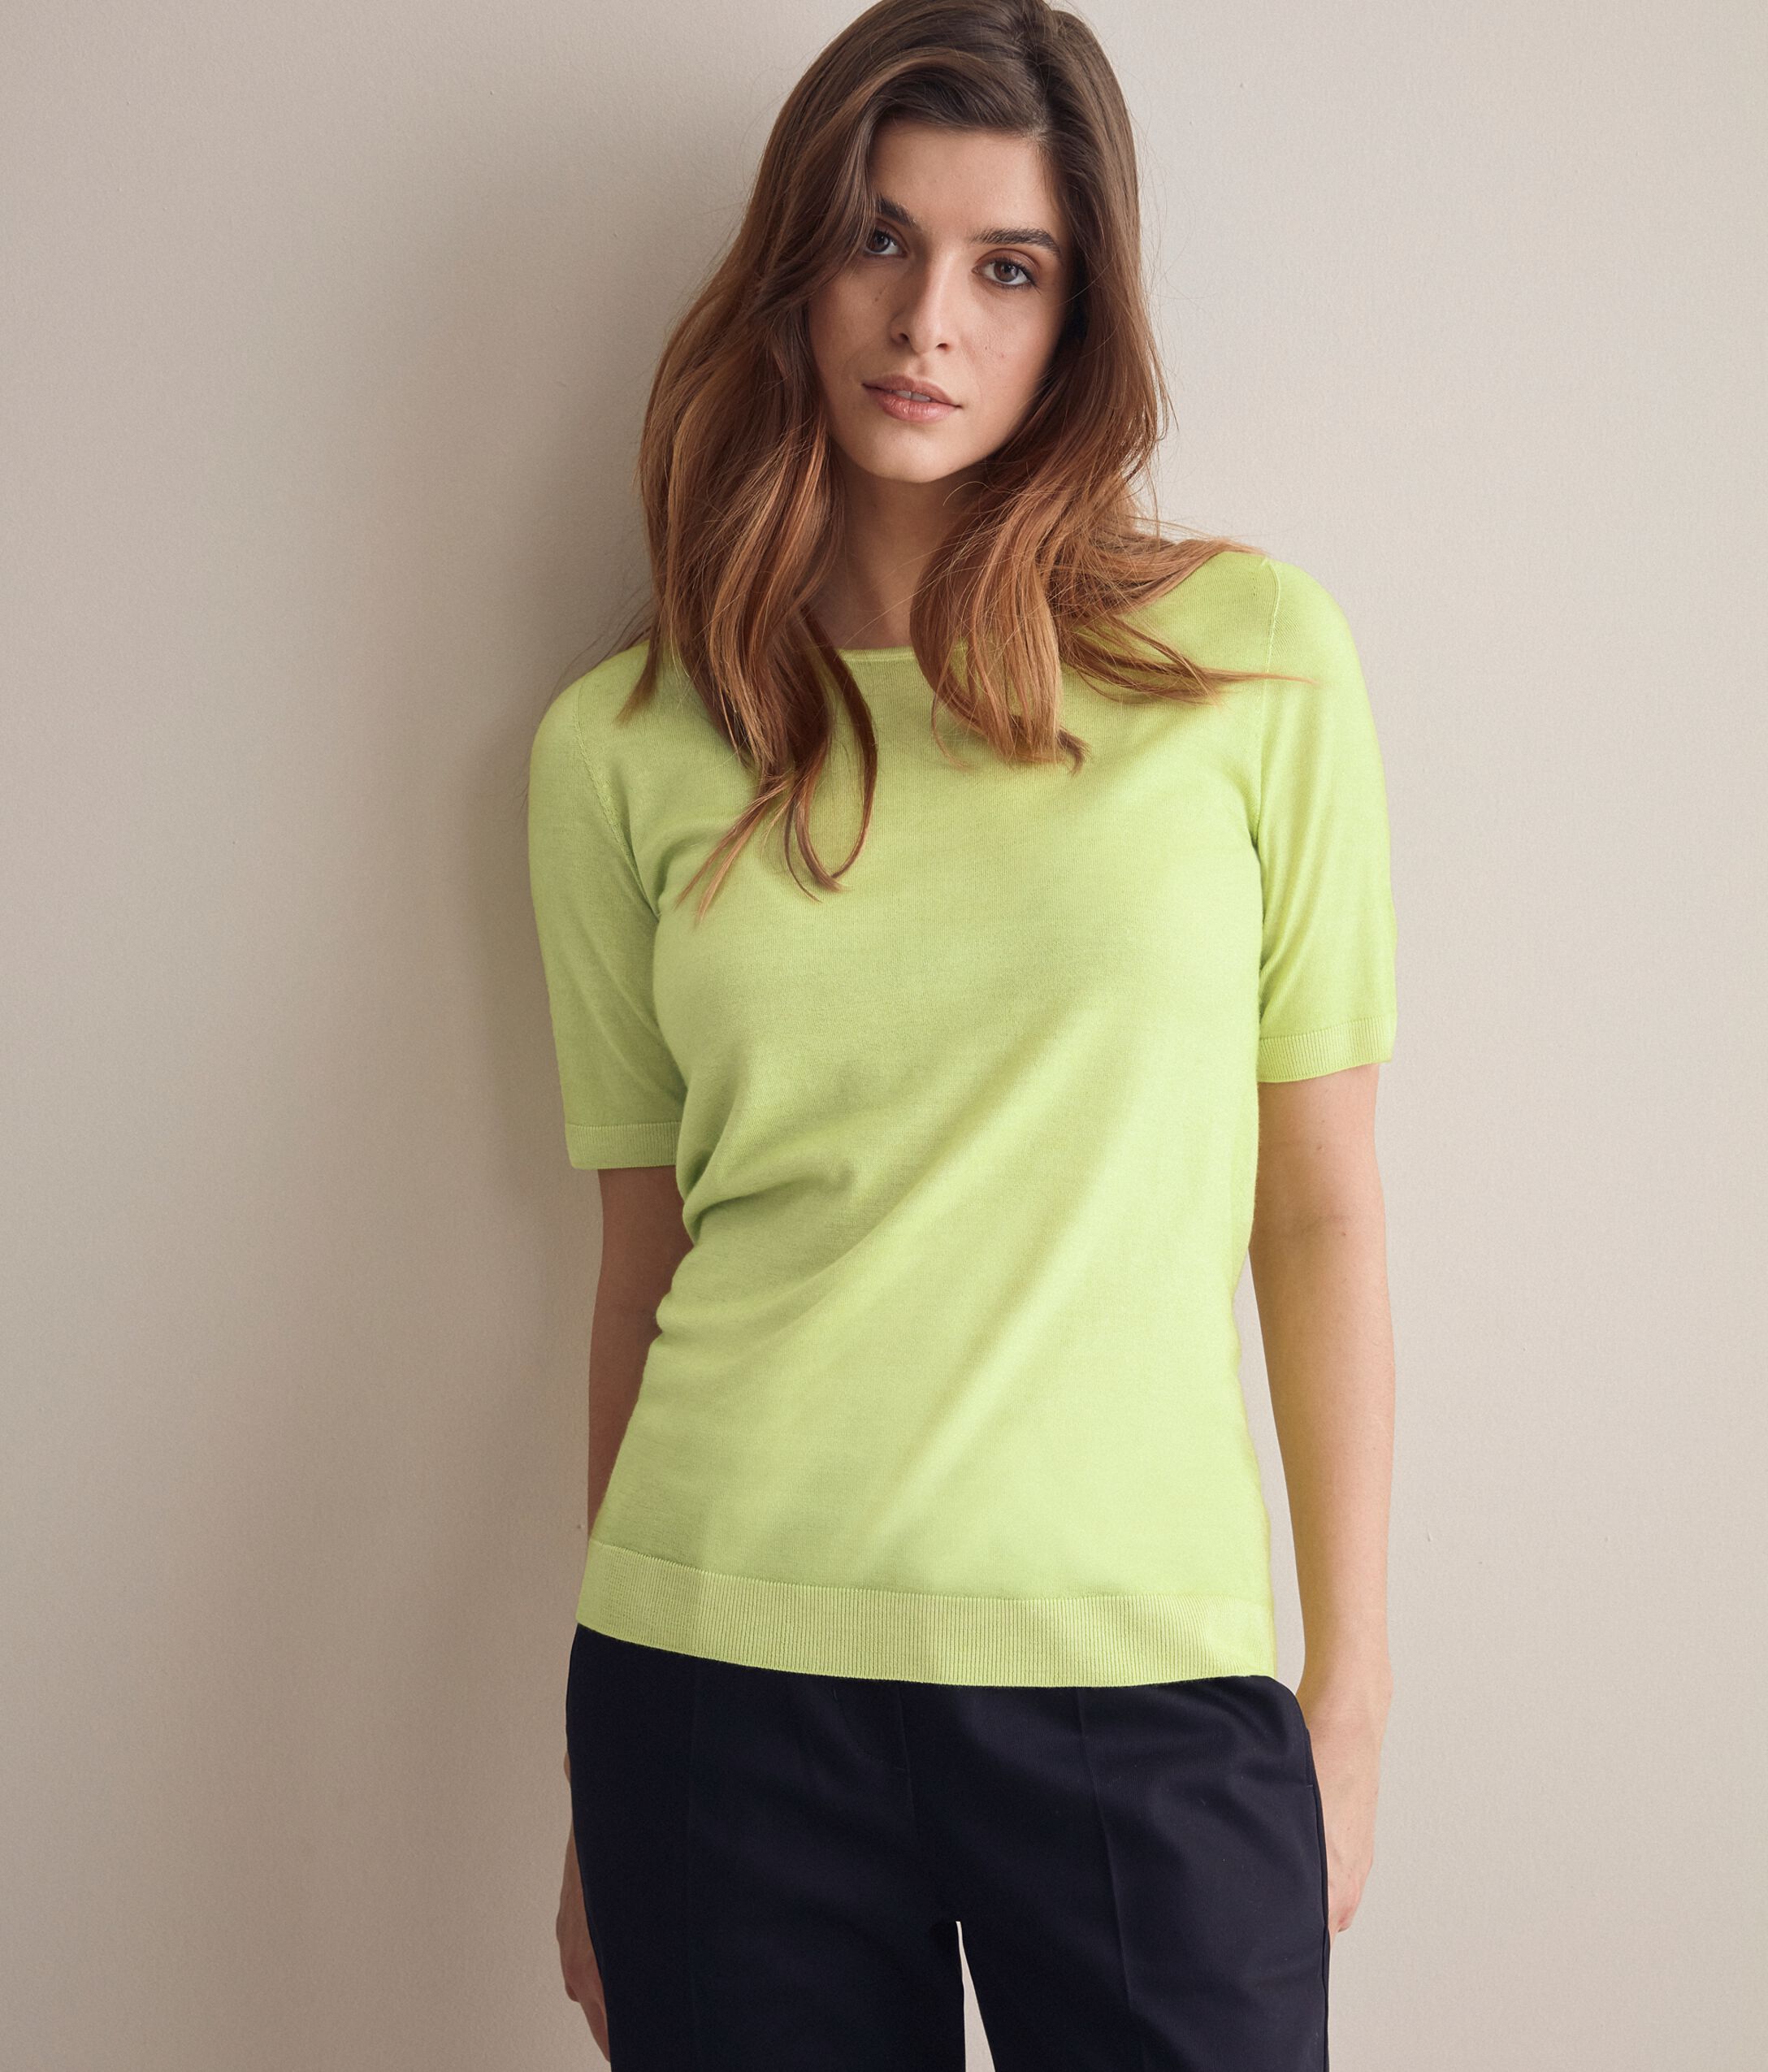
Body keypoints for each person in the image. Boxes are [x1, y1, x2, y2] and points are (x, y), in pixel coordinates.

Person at [526, 2, 1398, 2064]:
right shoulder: (619, 747)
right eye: (878, 239)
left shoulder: (1248, 664)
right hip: (712, 1677)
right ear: (793, 269)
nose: (927, 320)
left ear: (1076, 318)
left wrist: (1345, 1706)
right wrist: (597, 1788)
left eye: (1007, 266)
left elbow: (1318, 1210)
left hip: (1142, 1678)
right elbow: (642, 1264)